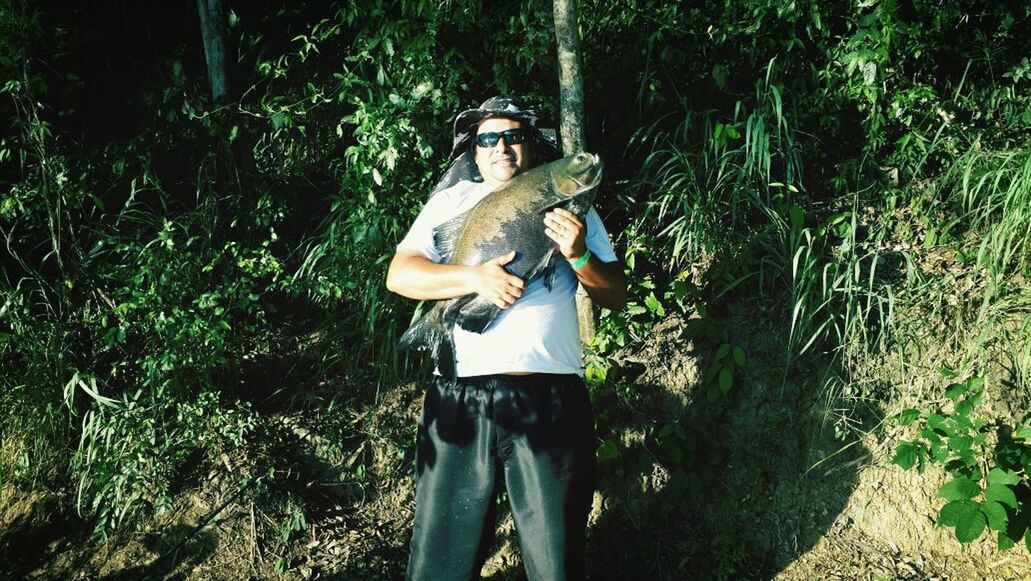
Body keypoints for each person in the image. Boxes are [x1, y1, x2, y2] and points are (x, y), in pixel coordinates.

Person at [386, 96, 627, 580]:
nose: (502, 147)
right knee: (439, 562)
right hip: (460, 400)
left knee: (554, 562)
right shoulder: (449, 203)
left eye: (514, 136)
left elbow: (617, 295)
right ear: (473, 152)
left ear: (533, 148)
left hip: (550, 399)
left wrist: (578, 254)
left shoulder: (573, 207)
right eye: (488, 138)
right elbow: (401, 276)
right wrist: (476, 279)